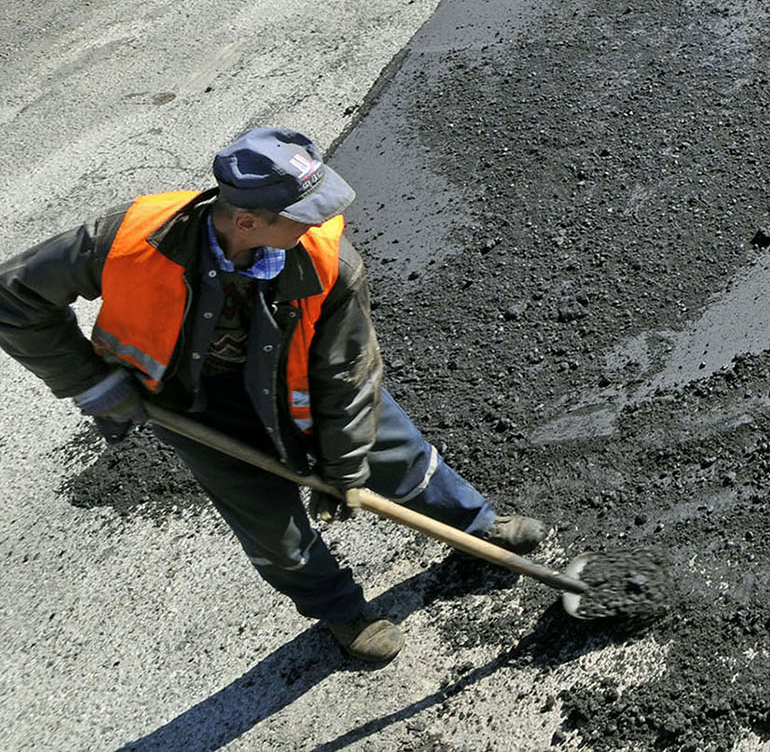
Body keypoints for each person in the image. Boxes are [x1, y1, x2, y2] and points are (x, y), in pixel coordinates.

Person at [0, 127, 545, 663]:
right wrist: (92, 383)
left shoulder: (331, 263)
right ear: (247, 221)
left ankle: (478, 529)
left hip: (304, 385)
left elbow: (347, 375)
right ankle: (339, 609)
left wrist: (344, 468)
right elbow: (14, 295)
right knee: (274, 532)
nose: (325, 222)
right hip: (197, 409)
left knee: (403, 458)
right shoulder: (128, 238)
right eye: (306, 214)